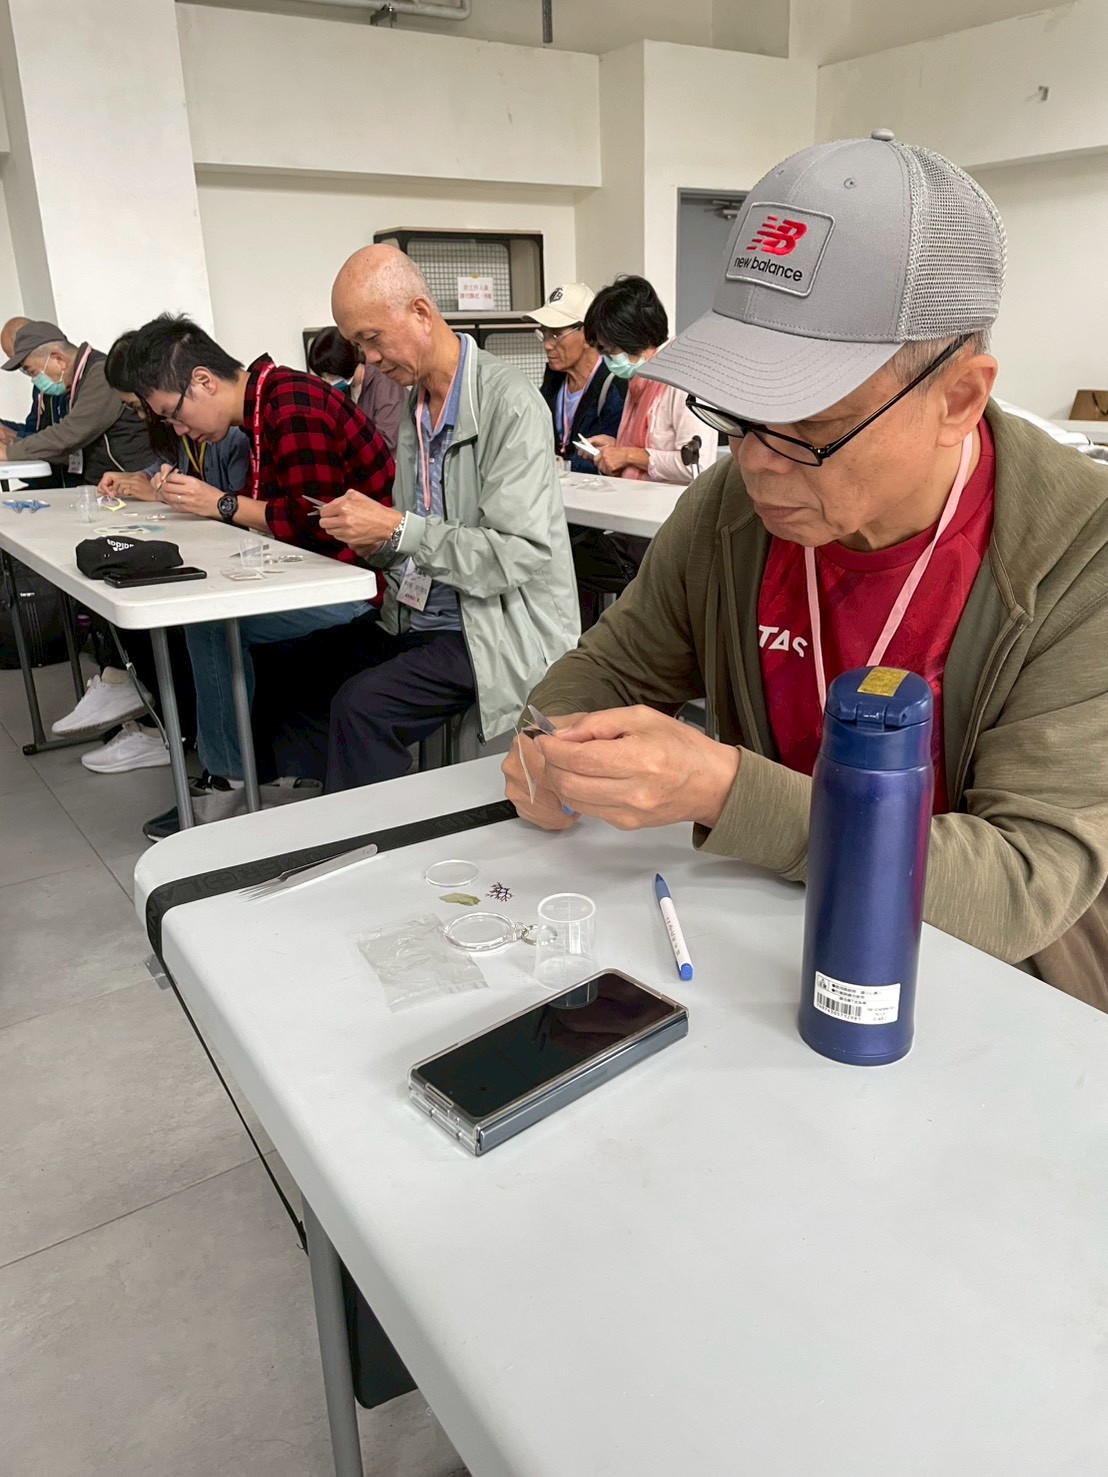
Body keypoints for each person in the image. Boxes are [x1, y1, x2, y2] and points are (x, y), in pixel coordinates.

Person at [503, 131, 1108, 1015]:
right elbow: (610, 668)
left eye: (810, 426)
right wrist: (552, 744)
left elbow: (1020, 884)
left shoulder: (1078, 555)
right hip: (768, 958)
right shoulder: (729, 511)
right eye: (739, 410)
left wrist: (728, 791)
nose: (756, 462)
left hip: (997, 994)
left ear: (959, 398)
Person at [250, 244, 579, 792]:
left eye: (372, 339)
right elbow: (409, 538)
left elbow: (514, 556)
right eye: (359, 346)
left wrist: (397, 530)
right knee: (289, 666)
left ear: (421, 313)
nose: (370, 359)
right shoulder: (416, 406)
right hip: (418, 614)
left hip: (494, 628)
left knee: (361, 706)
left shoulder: (511, 403)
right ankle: (327, 800)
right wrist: (370, 537)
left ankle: (375, 830)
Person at [125, 314, 395, 836]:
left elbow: (318, 522)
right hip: (324, 573)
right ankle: (244, 772)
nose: (178, 430)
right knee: (204, 612)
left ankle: (229, 781)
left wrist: (220, 504)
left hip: (363, 585)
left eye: (173, 414)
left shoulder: (291, 405)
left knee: (211, 623)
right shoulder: (266, 405)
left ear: (204, 380)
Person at [584, 276, 717, 484]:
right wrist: (616, 448)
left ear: (633, 337)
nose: (608, 358)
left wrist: (628, 455)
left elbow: (696, 466)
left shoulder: (683, 379)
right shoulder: (641, 378)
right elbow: (654, 444)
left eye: (611, 349)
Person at [0, 320, 152, 483]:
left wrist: (9, 452)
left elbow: (69, 434)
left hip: (133, 482)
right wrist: (14, 442)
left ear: (58, 360)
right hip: (105, 484)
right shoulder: (75, 383)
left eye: (33, 372)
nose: (34, 380)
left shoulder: (100, 375)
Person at [527, 284, 624, 474]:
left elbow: (607, 459)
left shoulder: (616, 385)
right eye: (544, 333)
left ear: (589, 334)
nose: (547, 345)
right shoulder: (553, 381)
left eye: (556, 334)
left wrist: (561, 465)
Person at [307, 324, 406, 456]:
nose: (326, 381)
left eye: (330, 376)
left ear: (344, 366)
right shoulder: (344, 389)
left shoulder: (386, 384)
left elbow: (387, 442)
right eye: (322, 376)